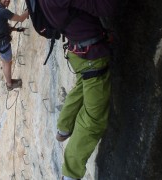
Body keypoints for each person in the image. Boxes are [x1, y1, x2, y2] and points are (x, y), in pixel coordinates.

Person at [38, 1, 117, 179]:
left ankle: (64, 127)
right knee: (93, 119)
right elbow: (106, 7)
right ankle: (70, 174)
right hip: (90, 55)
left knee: (83, 84)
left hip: (79, 50)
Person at [0, 0, 29, 91]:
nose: (7, 1)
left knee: (5, 62)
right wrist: (30, 9)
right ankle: (10, 84)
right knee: (7, 63)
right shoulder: (3, 11)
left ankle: (9, 82)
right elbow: (21, 18)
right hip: (2, 43)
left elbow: (1, 27)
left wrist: (16, 29)